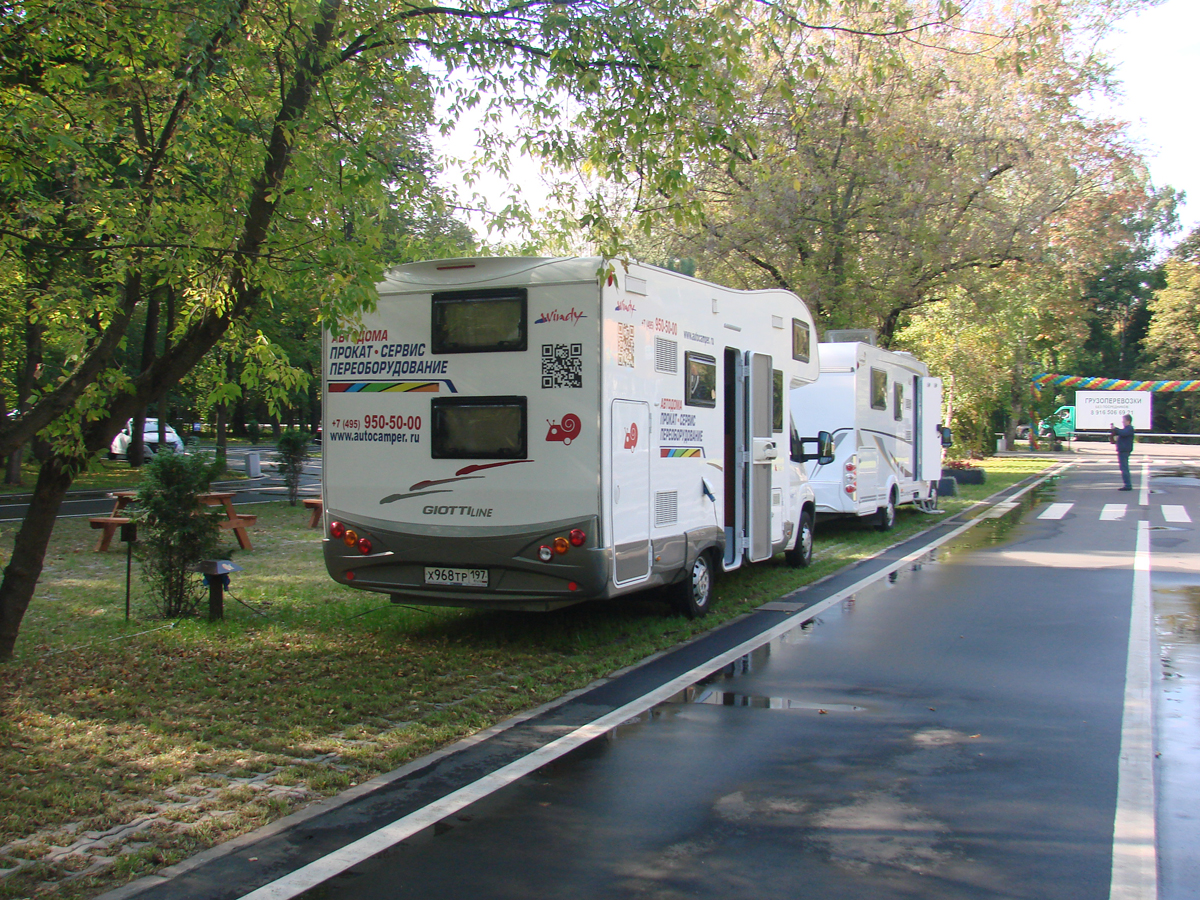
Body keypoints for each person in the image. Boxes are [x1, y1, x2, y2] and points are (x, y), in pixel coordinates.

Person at [1111, 414, 1135, 491]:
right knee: (1123, 468)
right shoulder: (1126, 429)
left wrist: (1116, 429)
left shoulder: (1129, 429)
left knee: (1124, 468)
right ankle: (1127, 484)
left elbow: (1123, 433)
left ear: (1128, 421)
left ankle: (1128, 485)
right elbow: (1121, 432)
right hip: (1122, 450)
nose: (1122, 422)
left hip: (1124, 451)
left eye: (1124, 421)